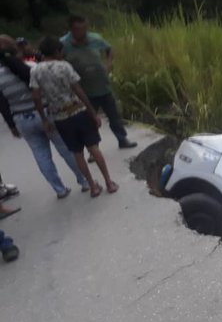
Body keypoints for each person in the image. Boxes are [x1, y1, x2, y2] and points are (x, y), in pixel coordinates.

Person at [1, 34, 89, 199]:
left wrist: (12, 125)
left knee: (40, 154)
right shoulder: (31, 67)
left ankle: (60, 190)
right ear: (15, 50)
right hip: (45, 114)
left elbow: (3, 104)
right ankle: (84, 181)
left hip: (21, 118)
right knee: (66, 148)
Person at [30, 36, 118, 198]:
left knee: (77, 153)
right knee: (94, 148)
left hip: (60, 117)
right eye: (61, 50)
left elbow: (36, 97)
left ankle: (92, 186)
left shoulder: (35, 70)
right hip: (78, 111)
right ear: (56, 51)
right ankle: (109, 182)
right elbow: (78, 89)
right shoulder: (64, 66)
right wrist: (92, 112)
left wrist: (44, 119)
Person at [60, 15, 137, 150]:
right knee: (89, 121)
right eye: (79, 30)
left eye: (85, 29)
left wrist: (109, 64)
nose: (83, 33)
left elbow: (109, 49)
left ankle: (122, 139)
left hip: (103, 86)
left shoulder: (95, 38)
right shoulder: (63, 44)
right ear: (71, 29)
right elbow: (58, 62)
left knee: (114, 116)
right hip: (82, 90)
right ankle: (93, 149)